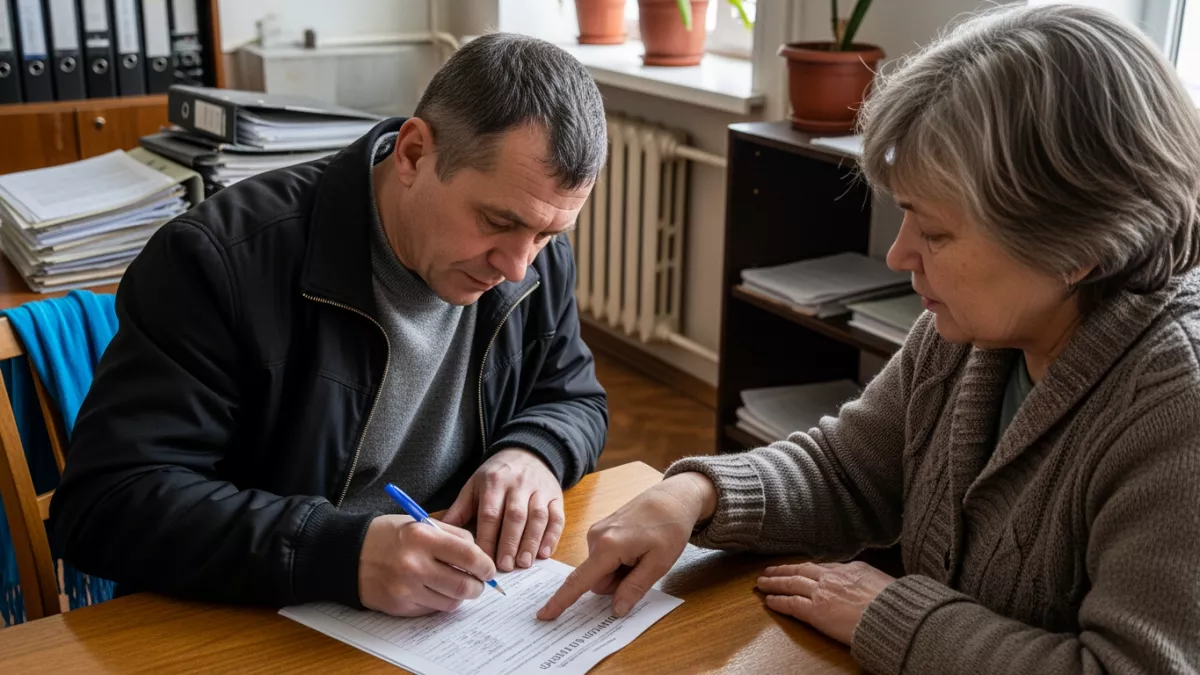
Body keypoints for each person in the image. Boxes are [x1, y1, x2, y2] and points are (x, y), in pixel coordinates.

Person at [539, 5, 1200, 673]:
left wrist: (892, 617)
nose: (898, 254)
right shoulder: (970, 333)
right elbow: (847, 470)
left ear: (1079, 246)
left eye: (935, 233)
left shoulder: (1178, 407)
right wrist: (696, 494)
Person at [50, 32, 609, 618]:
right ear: (414, 153)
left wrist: (533, 452)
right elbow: (107, 504)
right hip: (251, 618)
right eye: (498, 220)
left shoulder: (533, 263)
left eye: (548, 234)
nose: (517, 266)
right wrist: (339, 553)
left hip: (443, 614)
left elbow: (574, 398)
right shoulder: (217, 262)